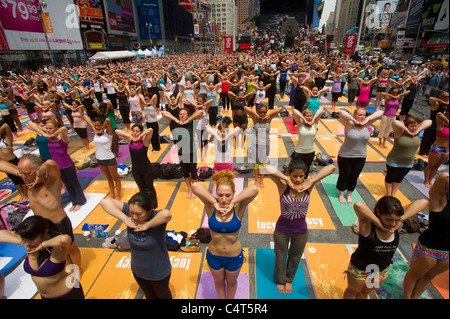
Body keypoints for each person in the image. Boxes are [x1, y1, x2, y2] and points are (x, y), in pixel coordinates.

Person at [263, 158, 335, 294]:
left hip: (301, 231)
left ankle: (289, 279)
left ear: (305, 174)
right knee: (280, 256)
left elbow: (331, 168)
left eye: (301, 176)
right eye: (294, 176)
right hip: (282, 230)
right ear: (289, 173)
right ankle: (280, 279)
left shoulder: (308, 185)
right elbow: (265, 166)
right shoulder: (283, 186)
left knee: (295, 257)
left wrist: (311, 181)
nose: (297, 179)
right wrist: (287, 179)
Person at [0, 154, 82, 271]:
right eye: (22, 173)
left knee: (71, 249)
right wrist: (19, 173)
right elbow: (1, 164)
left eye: (27, 173)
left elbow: (50, 163)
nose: (24, 177)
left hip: (58, 223)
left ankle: (78, 272)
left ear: (38, 169)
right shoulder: (26, 179)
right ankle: (68, 270)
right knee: (58, 252)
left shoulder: (51, 180)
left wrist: (38, 176)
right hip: (41, 226)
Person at [343, 196, 429, 299]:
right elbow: (358, 205)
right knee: (353, 292)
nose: (392, 223)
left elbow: (423, 202)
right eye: (388, 219)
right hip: (360, 269)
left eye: (395, 220)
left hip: (380, 271)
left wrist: (401, 220)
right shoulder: (367, 225)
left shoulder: (396, 223)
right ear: (378, 212)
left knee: (364, 293)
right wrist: (378, 223)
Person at [191, 170, 258, 299]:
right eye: (220, 195)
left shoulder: (238, 208)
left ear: (233, 194)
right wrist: (214, 202)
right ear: (216, 194)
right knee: (219, 282)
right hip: (214, 256)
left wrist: (234, 202)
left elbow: (254, 189)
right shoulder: (210, 206)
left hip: (233, 257)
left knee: (232, 283)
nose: (223, 199)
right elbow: (195, 186)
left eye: (228, 195)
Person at [100, 192, 172, 299]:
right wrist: (125, 218)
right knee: (149, 295)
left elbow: (167, 214)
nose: (134, 217)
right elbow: (104, 202)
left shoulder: (156, 218)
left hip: (158, 272)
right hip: (138, 270)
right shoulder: (130, 217)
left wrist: (148, 225)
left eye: (139, 214)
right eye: (131, 212)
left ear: (149, 211)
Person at [0, 216, 84, 299]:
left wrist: (42, 245)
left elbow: (64, 239)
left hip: (68, 295)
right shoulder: (29, 243)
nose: (28, 243)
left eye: (31, 239)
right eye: (25, 239)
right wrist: (22, 242)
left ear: (45, 232)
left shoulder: (57, 248)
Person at [403, 172, 449, 299]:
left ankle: (415, 297)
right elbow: (444, 176)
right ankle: (406, 297)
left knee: (429, 277)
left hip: (447, 253)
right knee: (415, 274)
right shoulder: (439, 202)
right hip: (428, 248)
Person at [336, 108, 383, 204]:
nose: (362, 117)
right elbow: (341, 112)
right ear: (355, 115)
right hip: (345, 156)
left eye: (364, 115)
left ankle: (349, 194)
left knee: (354, 176)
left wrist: (366, 120)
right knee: (344, 175)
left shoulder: (367, 124)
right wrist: (354, 120)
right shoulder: (349, 124)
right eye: (360, 115)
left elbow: (380, 113)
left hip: (360, 156)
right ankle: (341, 194)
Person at [161, 108, 203, 199]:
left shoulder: (191, 123)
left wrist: (188, 119)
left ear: (188, 115)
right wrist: (176, 119)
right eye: (180, 114)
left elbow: (200, 112)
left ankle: (195, 190)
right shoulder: (175, 123)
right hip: (181, 152)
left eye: (184, 114)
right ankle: (190, 190)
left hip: (191, 152)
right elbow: (163, 112)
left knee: (193, 171)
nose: (182, 115)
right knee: (185, 172)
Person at [385, 116, 432, 196]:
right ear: (406, 126)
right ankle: (389, 193)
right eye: (411, 126)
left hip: (408, 163)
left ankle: (393, 193)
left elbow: (429, 121)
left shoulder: (417, 133)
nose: (414, 128)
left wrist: (418, 130)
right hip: (394, 161)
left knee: (399, 179)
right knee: (390, 178)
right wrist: (406, 130)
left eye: (415, 125)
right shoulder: (399, 132)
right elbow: (395, 122)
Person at [115, 124, 158, 209]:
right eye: (133, 131)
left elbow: (150, 130)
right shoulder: (129, 140)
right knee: (141, 189)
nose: (135, 133)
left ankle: (153, 204)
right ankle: (144, 204)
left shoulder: (144, 141)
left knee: (149, 188)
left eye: (137, 131)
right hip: (136, 170)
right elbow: (116, 131)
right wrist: (129, 136)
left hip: (147, 169)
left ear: (141, 132)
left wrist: (140, 136)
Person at [245, 102, 282, 188]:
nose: (262, 114)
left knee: (263, 164)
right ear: (258, 112)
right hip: (255, 144)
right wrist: (256, 115)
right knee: (256, 164)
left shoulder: (269, 119)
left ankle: (261, 180)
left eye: (264, 112)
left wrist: (268, 115)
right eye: (260, 112)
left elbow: (280, 109)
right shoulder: (255, 119)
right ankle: (257, 181)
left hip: (265, 145)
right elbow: (245, 108)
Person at [84, 115, 122, 200]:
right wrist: (94, 126)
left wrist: (101, 128)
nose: (96, 127)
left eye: (98, 125)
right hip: (100, 160)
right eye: (95, 125)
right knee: (109, 179)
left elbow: (108, 120)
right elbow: (85, 117)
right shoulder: (95, 131)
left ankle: (118, 196)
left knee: (115, 178)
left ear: (102, 125)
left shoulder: (108, 133)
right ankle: (112, 195)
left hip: (109, 159)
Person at [291, 107, 324, 178]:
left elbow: (321, 109)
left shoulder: (314, 124)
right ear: (304, 116)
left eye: (310, 116)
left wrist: (314, 119)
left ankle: (304, 184)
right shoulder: (300, 124)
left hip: (310, 152)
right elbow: (294, 110)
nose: (309, 117)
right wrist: (303, 119)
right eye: (307, 116)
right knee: (298, 171)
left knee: (306, 171)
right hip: (299, 152)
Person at [0, 122, 28, 202]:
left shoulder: (6, 138)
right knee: (14, 180)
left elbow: (6, 125)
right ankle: (22, 194)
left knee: (21, 178)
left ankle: (26, 194)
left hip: (13, 160)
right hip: (3, 163)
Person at [424, 111, 449, 188]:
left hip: (447, 149)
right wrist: (447, 120)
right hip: (437, 148)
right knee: (430, 165)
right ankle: (426, 180)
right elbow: (439, 114)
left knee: (437, 166)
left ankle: (430, 180)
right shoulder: (441, 125)